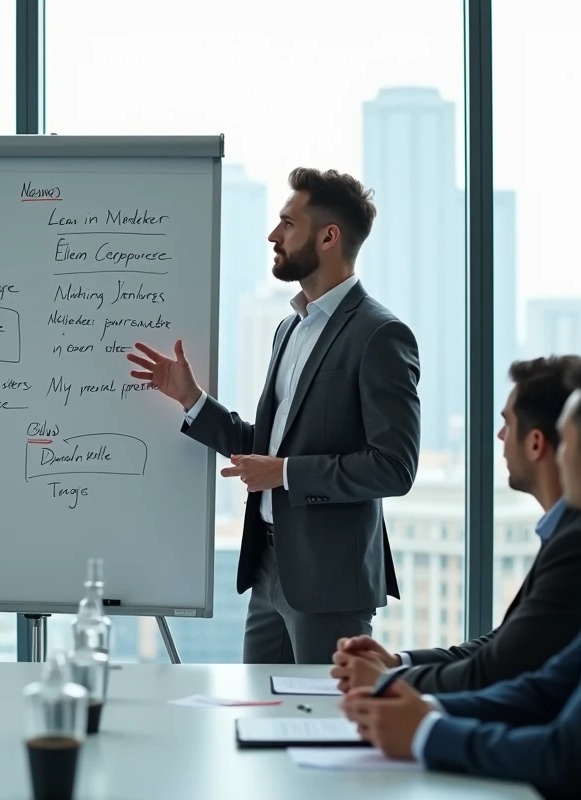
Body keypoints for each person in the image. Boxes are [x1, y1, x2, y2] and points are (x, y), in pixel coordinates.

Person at [341, 351, 581, 799]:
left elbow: (568, 752)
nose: (556, 455)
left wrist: (425, 733)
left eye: (568, 439)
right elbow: (545, 687)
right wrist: (422, 708)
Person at [127, 168, 418, 663]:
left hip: (330, 584)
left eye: (287, 224)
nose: (273, 235)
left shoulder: (379, 335)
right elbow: (268, 444)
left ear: (329, 237)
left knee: (326, 730)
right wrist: (192, 399)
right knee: (260, 719)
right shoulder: (290, 328)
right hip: (266, 568)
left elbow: (393, 467)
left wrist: (282, 474)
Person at [331, 356, 581, 693]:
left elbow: (499, 668)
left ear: (535, 443)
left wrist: (390, 682)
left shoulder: (580, 541)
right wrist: (398, 663)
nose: (500, 436)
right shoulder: (568, 529)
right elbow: (504, 644)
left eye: (508, 424)